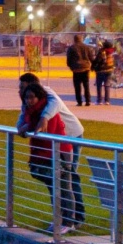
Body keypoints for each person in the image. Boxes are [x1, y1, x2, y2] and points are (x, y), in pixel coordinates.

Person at [17, 72, 85, 224]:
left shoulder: (46, 93)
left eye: (22, 87)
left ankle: (76, 218)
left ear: (32, 87)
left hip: (70, 137)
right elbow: (24, 117)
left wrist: (44, 117)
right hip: (55, 142)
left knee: (68, 178)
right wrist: (21, 128)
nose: (19, 91)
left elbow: (54, 105)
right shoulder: (28, 101)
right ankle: (61, 217)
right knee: (55, 181)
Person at [66, 34, 92, 106]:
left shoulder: (71, 48)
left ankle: (79, 101)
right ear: (81, 39)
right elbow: (91, 57)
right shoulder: (86, 47)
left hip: (76, 69)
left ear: (74, 39)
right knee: (86, 85)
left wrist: (71, 67)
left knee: (77, 86)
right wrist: (92, 66)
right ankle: (88, 100)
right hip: (86, 68)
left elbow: (69, 59)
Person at [93, 37, 116, 104]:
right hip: (109, 70)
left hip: (101, 70)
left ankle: (99, 100)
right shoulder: (112, 52)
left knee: (99, 85)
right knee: (107, 85)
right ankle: (107, 100)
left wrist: (94, 66)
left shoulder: (102, 52)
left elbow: (98, 60)